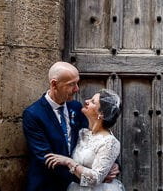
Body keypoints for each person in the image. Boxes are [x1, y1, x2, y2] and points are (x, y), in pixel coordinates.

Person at [23, 62, 119, 191]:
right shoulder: (33, 114)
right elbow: (46, 158)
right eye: (71, 84)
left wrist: (112, 166)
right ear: (54, 84)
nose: (77, 89)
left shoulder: (76, 107)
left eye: (77, 82)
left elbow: (97, 138)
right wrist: (89, 178)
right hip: (47, 186)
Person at [45, 89, 124, 191]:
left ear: (102, 114)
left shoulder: (110, 141)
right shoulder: (83, 133)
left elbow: (96, 178)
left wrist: (68, 162)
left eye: (92, 102)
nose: (86, 101)